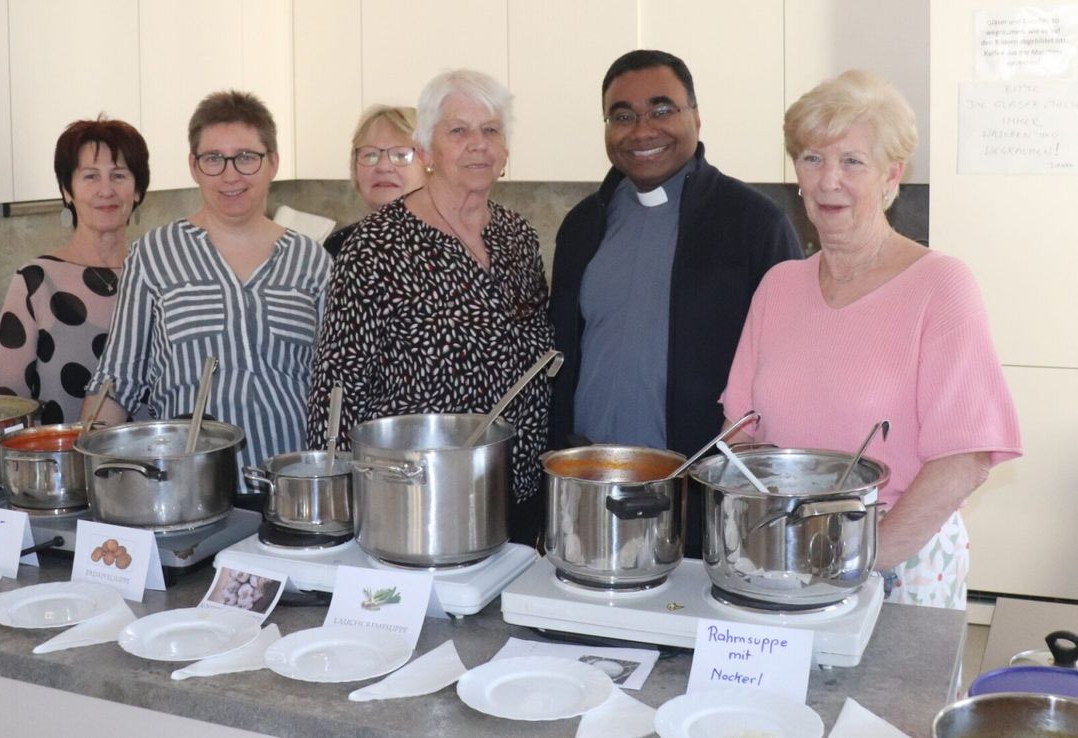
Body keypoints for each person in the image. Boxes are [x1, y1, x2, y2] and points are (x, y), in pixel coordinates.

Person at [721, 70, 1021, 609]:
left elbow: (965, 459)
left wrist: (862, 560)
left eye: (852, 162)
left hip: (897, 561)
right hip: (782, 555)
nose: (827, 180)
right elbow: (740, 435)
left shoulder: (940, 285)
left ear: (891, 177)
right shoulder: (779, 286)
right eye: (812, 159)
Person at [549, 50, 802, 558]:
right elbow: (562, 359)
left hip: (702, 493)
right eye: (623, 115)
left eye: (662, 110)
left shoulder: (755, 224)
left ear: (696, 116)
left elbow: (789, 370)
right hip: (589, 485)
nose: (642, 130)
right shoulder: (581, 226)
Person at [305, 70, 554, 546]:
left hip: (514, 491)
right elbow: (337, 389)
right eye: (458, 130)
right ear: (426, 150)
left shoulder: (518, 237)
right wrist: (337, 501)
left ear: (506, 152)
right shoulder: (376, 245)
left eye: (491, 130)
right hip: (417, 498)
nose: (477, 145)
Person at [87, 91, 332, 481]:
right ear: (194, 166)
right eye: (214, 159)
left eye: (246, 158)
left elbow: (335, 384)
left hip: (296, 485)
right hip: (187, 487)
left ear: (273, 163)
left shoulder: (313, 261)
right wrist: (95, 475)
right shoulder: (154, 254)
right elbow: (116, 383)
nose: (230, 175)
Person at [0, 118, 149, 425]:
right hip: (62, 468)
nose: (106, 190)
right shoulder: (35, 282)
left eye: (119, 175)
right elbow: (9, 406)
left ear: (138, 191)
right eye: (90, 176)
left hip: (153, 465)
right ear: (67, 191)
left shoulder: (157, 278)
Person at [322, 105, 428, 257]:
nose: (383, 167)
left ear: (430, 164)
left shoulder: (457, 243)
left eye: (401, 155)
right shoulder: (339, 246)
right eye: (370, 155)